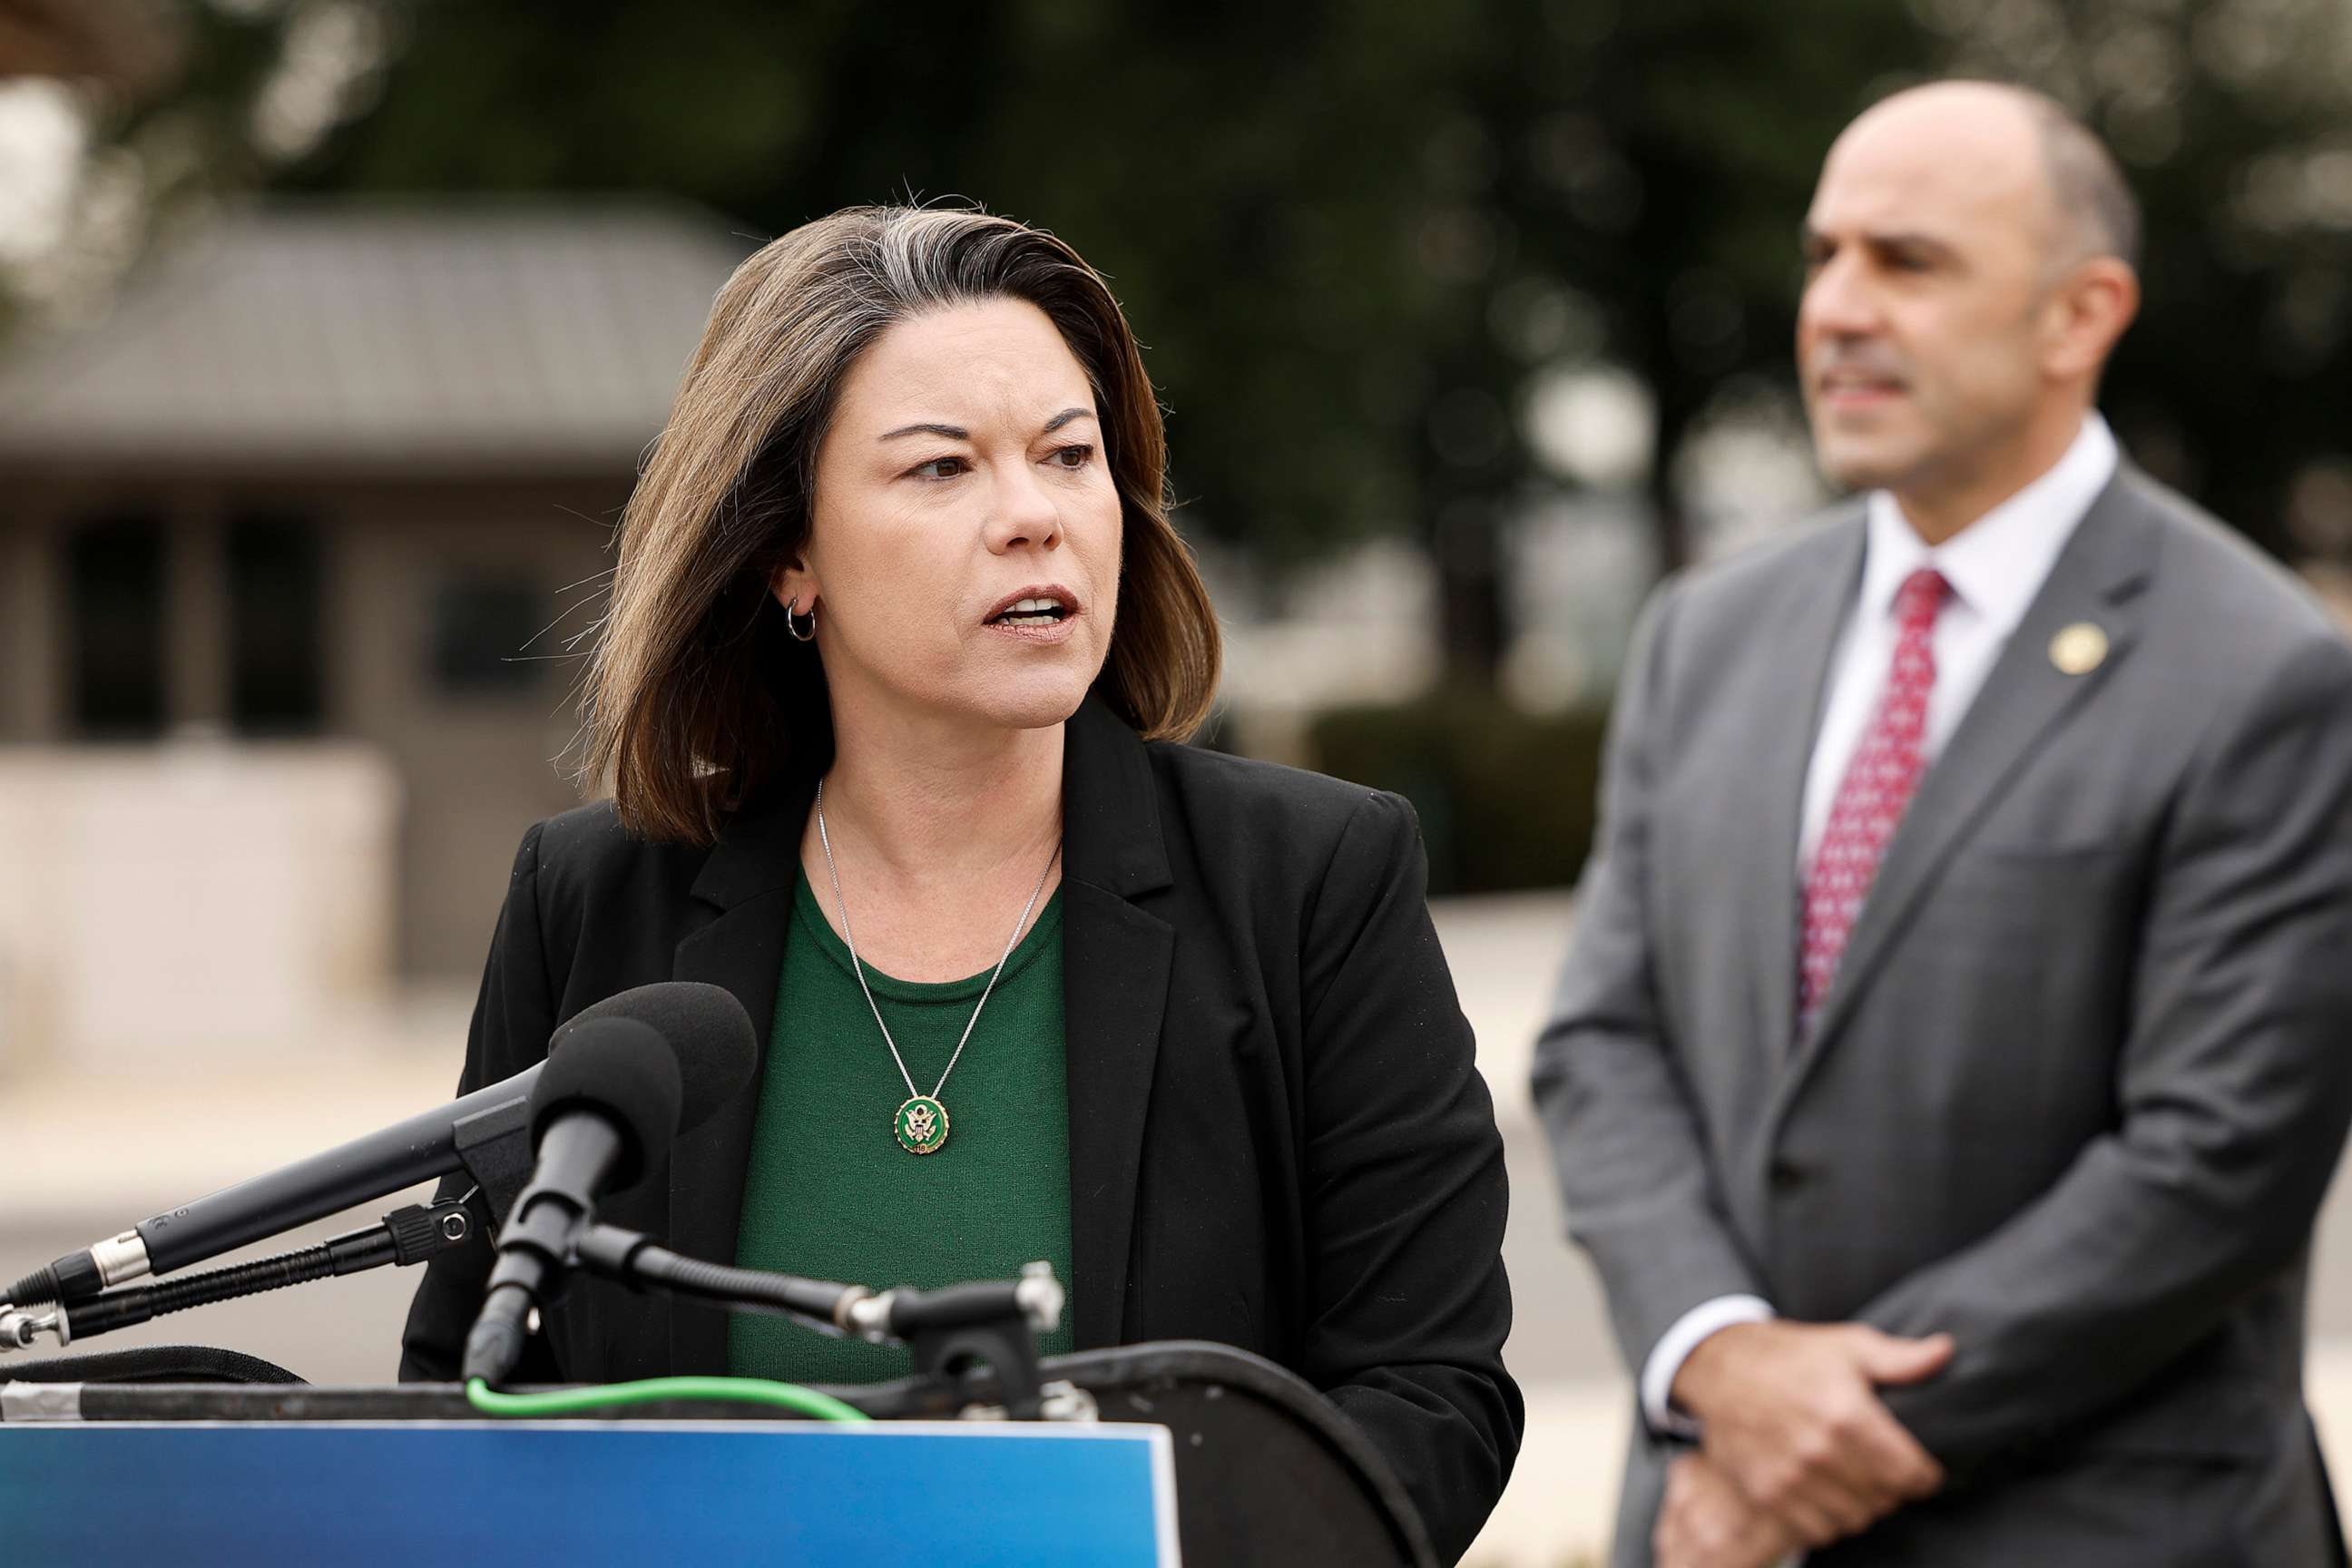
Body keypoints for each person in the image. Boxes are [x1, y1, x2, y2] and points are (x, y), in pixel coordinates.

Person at [397, 203, 1521, 1561]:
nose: (1034, 517)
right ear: (787, 556)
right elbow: (468, 1394)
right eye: (943, 470)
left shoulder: (1312, 881)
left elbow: (1429, 1397)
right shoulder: (597, 902)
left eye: (1069, 454)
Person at [1533, 80, 2352, 1567]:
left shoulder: (2265, 673)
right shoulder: (1704, 634)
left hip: (2094, 1524)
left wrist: (1814, 1438)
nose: (1837, 307)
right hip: (1720, 1510)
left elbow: (2215, 1160)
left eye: (1908, 262)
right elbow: (1602, 1041)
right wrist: (1717, 1356)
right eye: (1823, 253)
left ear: (2078, 314)